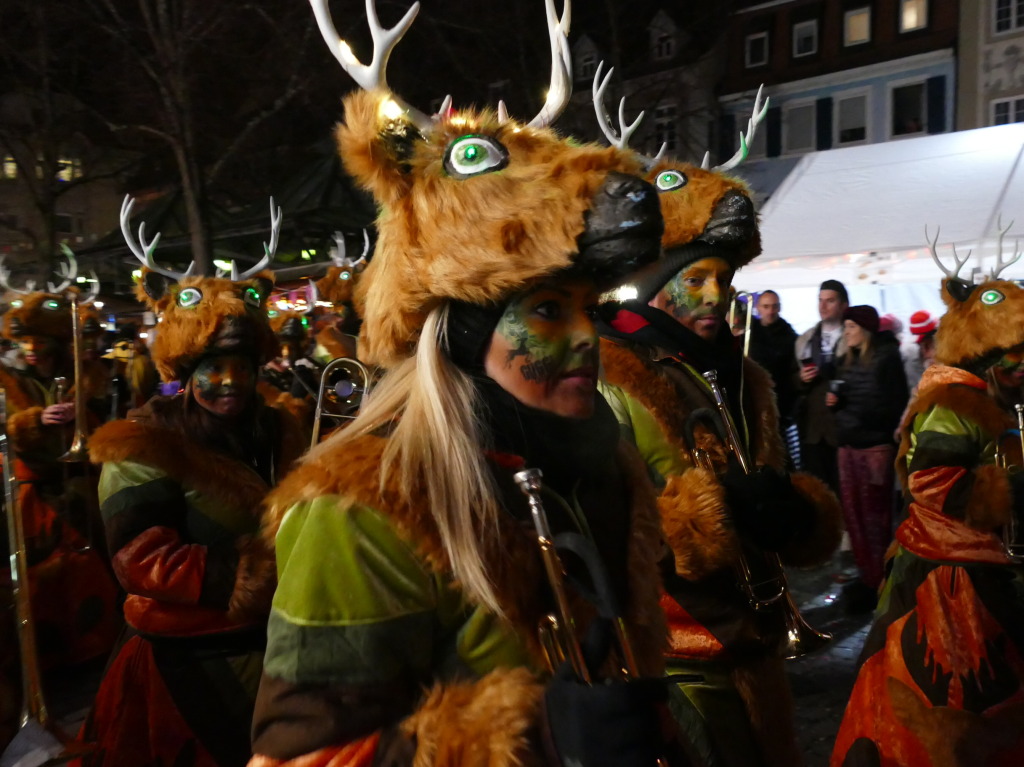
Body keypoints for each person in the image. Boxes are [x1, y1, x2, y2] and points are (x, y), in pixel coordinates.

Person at [249, 4, 688, 764]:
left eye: (590, 308)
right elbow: (298, 756)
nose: (587, 338)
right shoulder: (359, 511)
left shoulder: (603, 466)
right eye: (547, 311)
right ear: (456, 334)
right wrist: (529, 739)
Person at [79, 202, 307, 767]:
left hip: (281, 647)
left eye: (240, 365)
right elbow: (140, 559)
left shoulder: (285, 427)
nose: (229, 380)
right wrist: (254, 573)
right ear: (183, 372)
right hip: (183, 666)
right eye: (212, 366)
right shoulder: (142, 444)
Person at [831, 261, 1024, 766]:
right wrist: (1012, 487)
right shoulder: (956, 403)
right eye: (1012, 353)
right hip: (949, 583)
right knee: (947, 716)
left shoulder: (992, 398)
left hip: (979, 568)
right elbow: (932, 481)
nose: (1021, 362)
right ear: (984, 351)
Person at [825, 305, 908, 613]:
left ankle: (880, 580)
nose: (846, 333)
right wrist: (835, 405)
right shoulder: (845, 360)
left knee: (876, 519)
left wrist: (852, 409)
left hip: (874, 447)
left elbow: (893, 404)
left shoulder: (886, 358)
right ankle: (867, 577)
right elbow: (842, 398)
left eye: (850, 327)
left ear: (866, 330)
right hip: (847, 445)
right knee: (854, 516)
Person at [794, 279, 849, 492]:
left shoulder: (853, 336)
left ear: (844, 305)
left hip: (842, 427)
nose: (823, 306)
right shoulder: (805, 340)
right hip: (812, 429)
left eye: (830, 301)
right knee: (817, 490)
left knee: (843, 489)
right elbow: (790, 379)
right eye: (820, 300)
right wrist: (801, 378)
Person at [748, 290, 799, 442]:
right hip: (754, 399)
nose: (770, 311)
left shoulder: (789, 336)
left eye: (774, 306)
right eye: (766, 306)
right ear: (758, 307)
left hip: (779, 401)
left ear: (779, 308)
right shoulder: (749, 332)